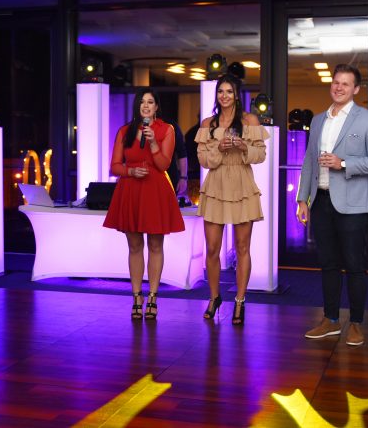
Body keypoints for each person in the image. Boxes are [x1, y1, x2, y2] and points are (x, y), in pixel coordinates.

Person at [296, 64, 368, 347]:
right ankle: (331, 320)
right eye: (336, 82)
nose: (339, 87)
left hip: (354, 204)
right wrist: (302, 199)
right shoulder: (319, 120)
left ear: (356, 89)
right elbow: (309, 160)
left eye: (345, 84)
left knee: (355, 265)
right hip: (321, 201)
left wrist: (344, 163)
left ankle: (356, 323)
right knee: (328, 264)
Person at [103, 88, 185, 320]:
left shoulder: (166, 129)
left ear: (156, 107)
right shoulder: (124, 131)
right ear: (137, 106)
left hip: (156, 190)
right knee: (134, 246)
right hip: (131, 189)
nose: (146, 106)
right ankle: (137, 297)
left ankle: (153, 297)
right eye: (142, 102)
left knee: (156, 245)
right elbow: (114, 166)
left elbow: (164, 164)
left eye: (150, 102)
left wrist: (153, 143)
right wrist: (130, 171)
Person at [195, 74, 268, 325]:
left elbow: (261, 155)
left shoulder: (250, 120)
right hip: (215, 185)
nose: (224, 96)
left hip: (241, 185)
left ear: (237, 95)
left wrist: (245, 147)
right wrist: (219, 148)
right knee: (212, 249)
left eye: (229, 91)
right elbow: (203, 160)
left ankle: (239, 300)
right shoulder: (208, 123)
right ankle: (214, 297)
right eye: (220, 91)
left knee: (242, 247)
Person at [166, 121, 189, 198]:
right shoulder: (136, 126)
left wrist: (183, 177)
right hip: (145, 175)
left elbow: (181, 152)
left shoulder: (170, 125)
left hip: (169, 176)